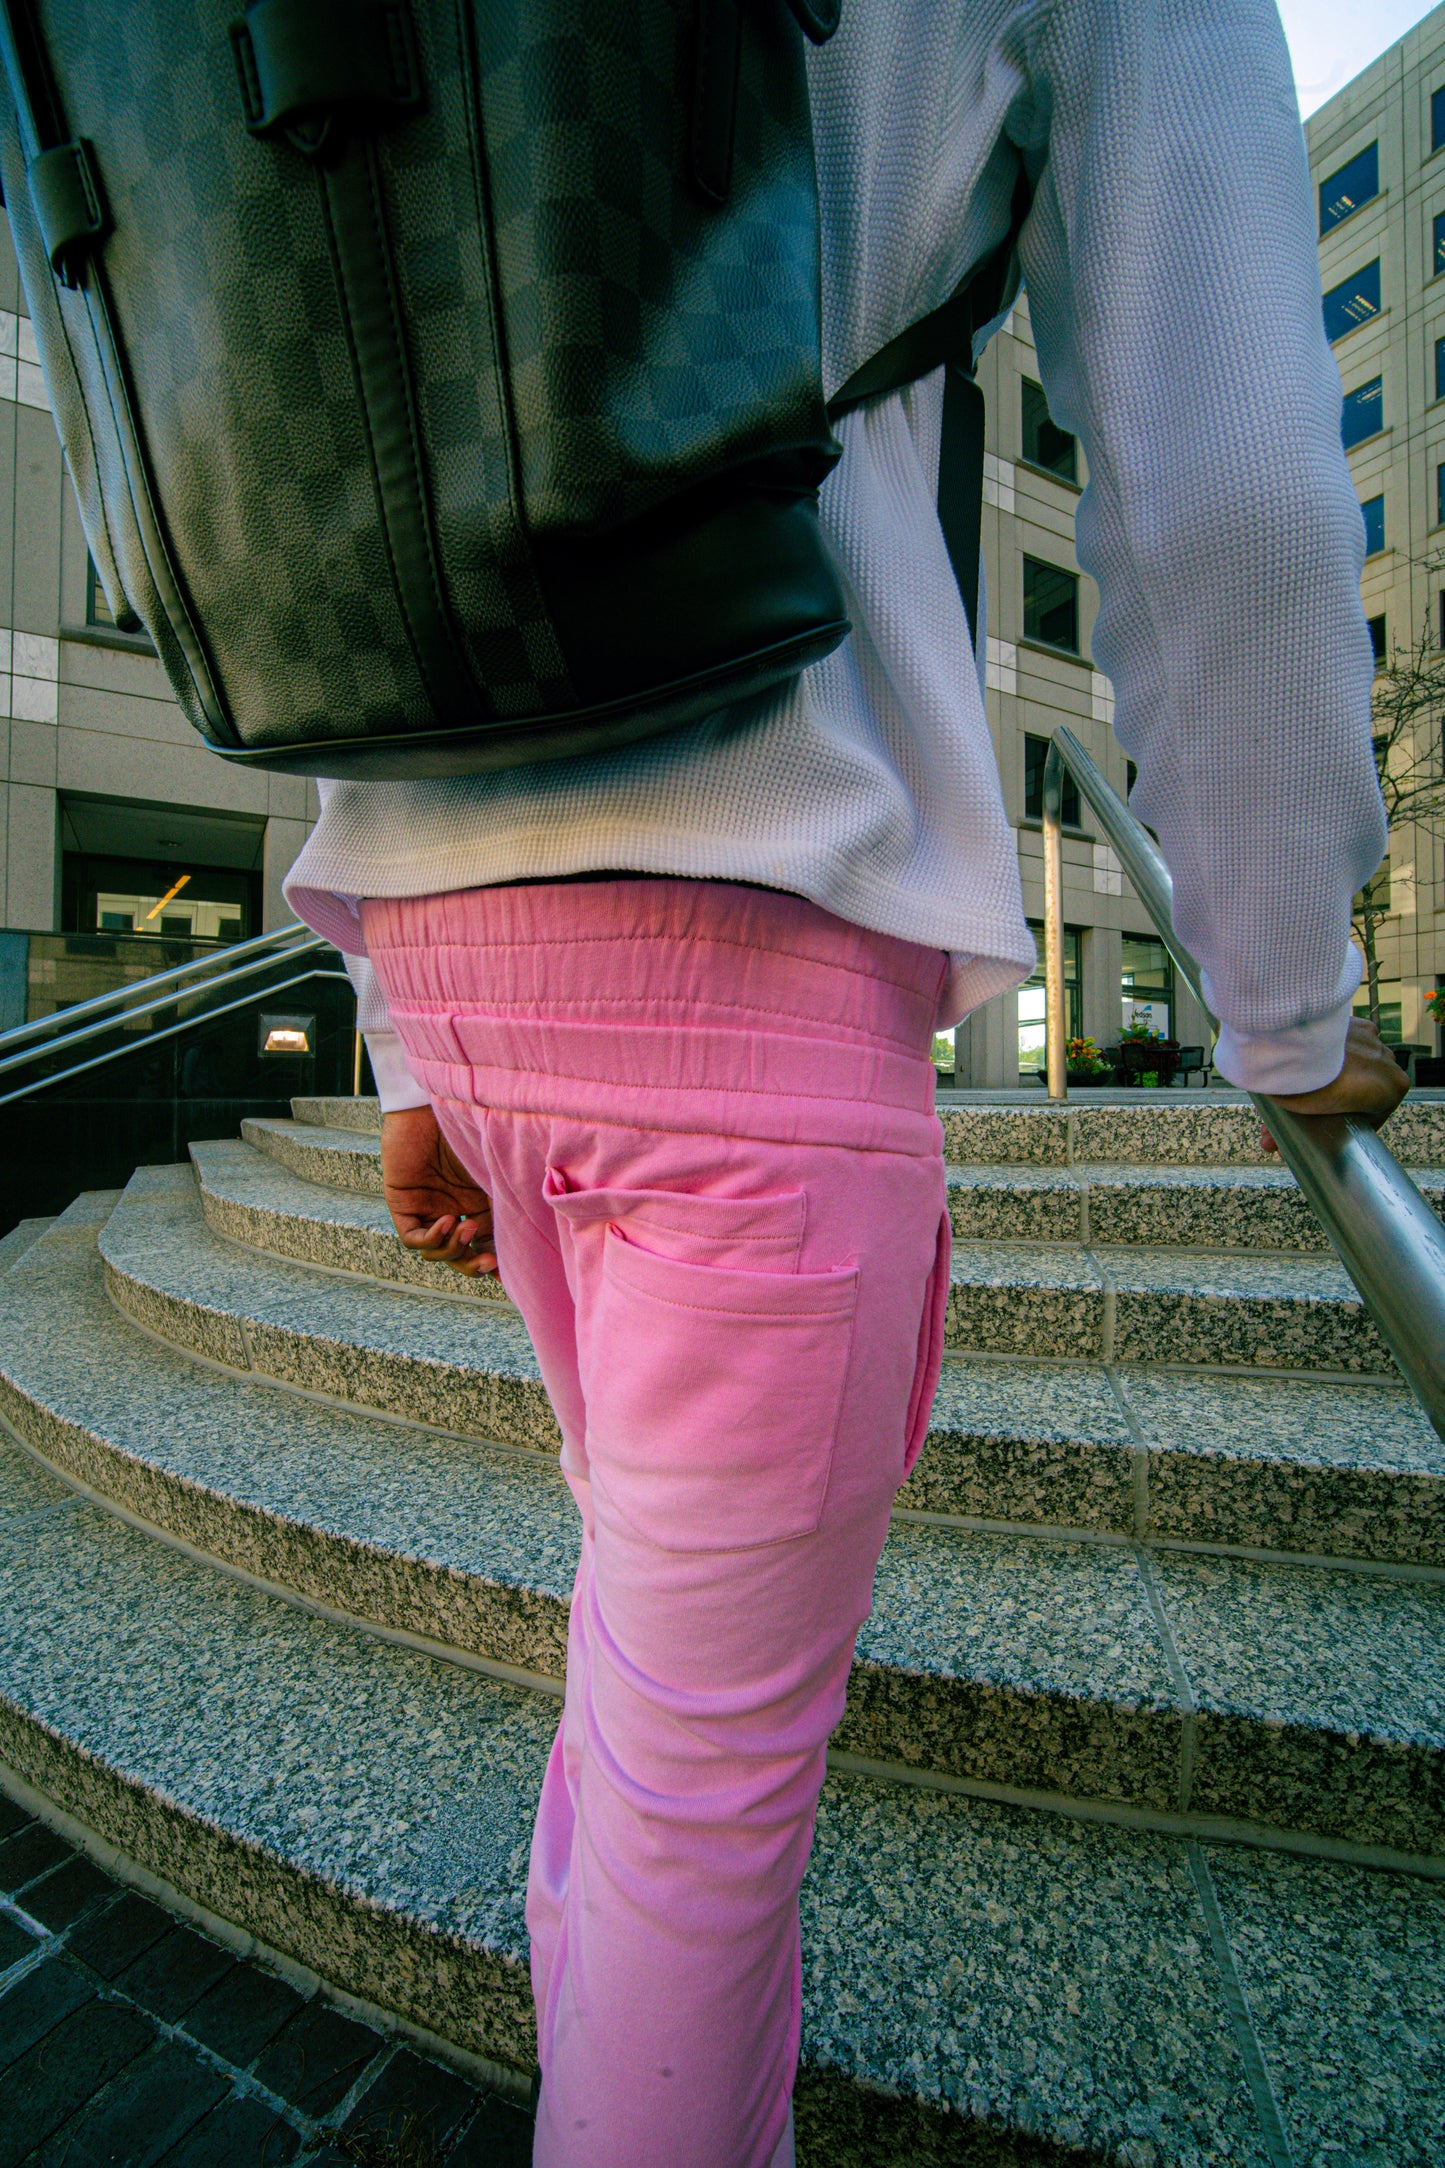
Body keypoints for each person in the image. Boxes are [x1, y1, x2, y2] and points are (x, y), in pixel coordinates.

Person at [285, 4, 1408, 2159]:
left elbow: (368, 410)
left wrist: (411, 1034)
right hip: (756, 965)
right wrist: (1282, 1008)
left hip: (459, 937)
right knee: (699, 1812)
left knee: (644, 1715)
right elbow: (1238, 483)